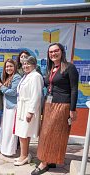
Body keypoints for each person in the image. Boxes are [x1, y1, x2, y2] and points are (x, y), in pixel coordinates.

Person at [32, 43, 79, 175]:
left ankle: (44, 163)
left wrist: (72, 109)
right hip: (49, 105)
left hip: (62, 106)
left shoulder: (70, 67)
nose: (53, 54)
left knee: (53, 134)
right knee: (48, 133)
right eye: (51, 52)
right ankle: (50, 159)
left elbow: (74, 89)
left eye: (56, 51)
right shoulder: (51, 68)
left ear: (62, 52)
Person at [14, 56, 43, 166]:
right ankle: (25, 154)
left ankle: (24, 156)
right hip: (22, 106)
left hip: (28, 108)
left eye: (28, 64)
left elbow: (36, 95)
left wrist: (30, 111)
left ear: (34, 65)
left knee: (23, 133)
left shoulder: (36, 76)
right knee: (23, 133)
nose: (25, 66)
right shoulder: (26, 76)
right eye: (24, 64)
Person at [0, 59, 21, 156]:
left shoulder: (16, 77)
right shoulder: (9, 77)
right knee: (5, 128)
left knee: (10, 130)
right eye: (6, 66)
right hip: (7, 106)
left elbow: (13, 92)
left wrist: (1, 87)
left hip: (12, 107)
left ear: (15, 67)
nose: (8, 68)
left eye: (10, 66)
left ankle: (9, 150)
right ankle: (3, 148)